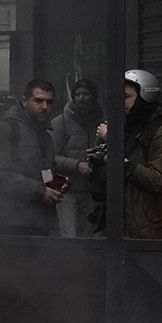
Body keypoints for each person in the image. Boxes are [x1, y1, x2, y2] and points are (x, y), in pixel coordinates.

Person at [106, 69, 162, 239]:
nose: (121, 103)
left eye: (126, 96)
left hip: (146, 227)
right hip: (119, 223)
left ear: (144, 97)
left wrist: (125, 165)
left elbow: (159, 181)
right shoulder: (125, 129)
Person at [0, 79, 61, 235]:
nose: (44, 107)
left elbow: (43, 171)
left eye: (49, 102)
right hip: (10, 222)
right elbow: (0, 176)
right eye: (38, 101)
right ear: (25, 101)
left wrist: (52, 187)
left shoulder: (44, 135)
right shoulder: (7, 130)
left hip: (40, 221)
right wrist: (40, 191)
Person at [49, 79, 102, 238]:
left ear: (93, 97)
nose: (81, 98)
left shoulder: (102, 123)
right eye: (77, 94)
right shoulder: (60, 123)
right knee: (69, 236)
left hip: (91, 192)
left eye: (86, 94)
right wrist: (77, 165)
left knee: (88, 238)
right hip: (66, 191)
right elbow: (50, 157)